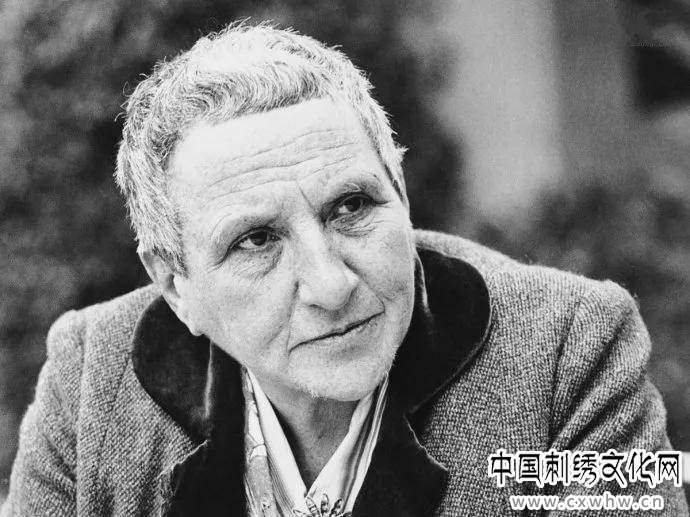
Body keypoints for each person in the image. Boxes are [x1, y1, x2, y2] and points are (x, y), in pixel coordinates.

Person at [2, 22, 687, 517]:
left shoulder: (573, 346)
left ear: (401, 192)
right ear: (175, 284)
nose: (332, 286)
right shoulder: (89, 377)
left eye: (352, 206)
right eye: (256, 241)